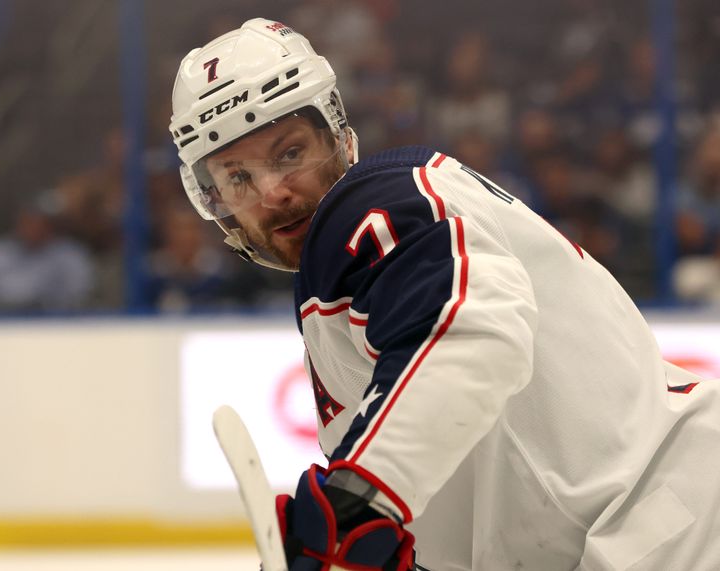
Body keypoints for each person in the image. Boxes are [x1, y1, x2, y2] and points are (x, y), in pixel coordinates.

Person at [170, 18, 720, 570]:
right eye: (238, 178)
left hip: (672, 525)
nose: (273, 192)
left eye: (289, 153)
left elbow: (474, 333)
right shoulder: (341, 285)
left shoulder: (371, 207)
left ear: (337, 133)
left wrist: (358, 502)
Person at [0, 191, 95, 314]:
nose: (35, 227)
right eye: (30, 220)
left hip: (51, 334)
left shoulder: (71, 257)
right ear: (20, 221)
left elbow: (81, 300)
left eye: (43, 221)